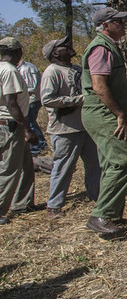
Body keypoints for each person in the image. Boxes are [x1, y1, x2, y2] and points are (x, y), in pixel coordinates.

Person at [82, 7, 127, 235]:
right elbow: (99, 87)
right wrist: (120, 115)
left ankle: (113, 213)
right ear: (106, 25)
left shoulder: (110, 47)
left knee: (111, 163)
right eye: (118, 22)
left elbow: (116, 89)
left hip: (107, 110)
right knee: (123, 161)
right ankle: (101, 215)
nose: (123, 25)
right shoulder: (101, 49)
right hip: (102, 112)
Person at [40, 37, 101, 219]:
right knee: (64, 167)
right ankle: (54, 206)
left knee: (95, 165)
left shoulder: (77, 69)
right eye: (63, 46)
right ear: (55, 53)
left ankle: (96, 197)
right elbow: (47, 99)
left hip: (85, 125)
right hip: (65, 129)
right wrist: (78, 100)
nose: (68, 47)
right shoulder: (51, 72)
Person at [0, 37, 38, 225]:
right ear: (18, 52)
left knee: (27, 167)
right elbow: (11, 103)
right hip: (11, 125)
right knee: (9, 170)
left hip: (7, 124)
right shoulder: (10, 70)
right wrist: (27, 129)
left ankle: (23, 203)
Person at [16, 53, 47, 155]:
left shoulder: (26, 68)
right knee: (31, 122)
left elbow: (31, 88)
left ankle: (36, 147)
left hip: (31, 100)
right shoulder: (22, 68)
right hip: (29, 100)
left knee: (30, 123)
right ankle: (41, 144)